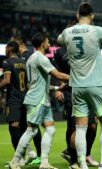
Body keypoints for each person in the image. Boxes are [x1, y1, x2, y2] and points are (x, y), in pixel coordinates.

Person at [57, 2, 102, 169]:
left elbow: (60, 40)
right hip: (96, 84)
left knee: (80, 127)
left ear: (76, 15)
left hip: (77, 86)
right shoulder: (97, 31)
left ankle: (81, 163)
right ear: (93, 16)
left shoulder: (67, 32)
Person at [9, 33, 69, 169]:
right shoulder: (40, 58)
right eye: (47, 42)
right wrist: (77, 77)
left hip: (42, 99)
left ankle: (44, 162)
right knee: (31, 131)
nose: (49, 44)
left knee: (50, 129)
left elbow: (37, 82)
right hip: (36, 100)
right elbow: (57, 74)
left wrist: (56, 87)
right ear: (42, 43)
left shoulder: (32, 58)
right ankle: (15, 161)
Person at [53, 46, 99, 169]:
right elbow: (55, 71)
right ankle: (73, 159)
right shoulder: (60, 52)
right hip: (70, 91)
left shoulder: (83, 48)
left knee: (93, 124)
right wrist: (57, 89)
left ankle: (86, 154)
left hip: (87, 89)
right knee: (75, 127)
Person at [11, 35, 43, 165]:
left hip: (31, 95)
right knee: (27, 127)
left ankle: (39, 155)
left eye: (14, 44)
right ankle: (30, 154)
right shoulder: (22, 57)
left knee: (34, 126)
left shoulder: (28, 56)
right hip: (26, 96)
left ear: (20, 44)